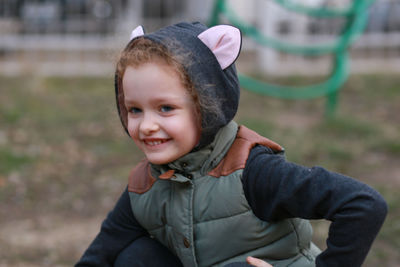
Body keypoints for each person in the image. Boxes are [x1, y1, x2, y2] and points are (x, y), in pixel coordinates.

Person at [75, 22, 387, 267]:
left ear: (208, 106)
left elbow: (362, 205)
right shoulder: (146, 185)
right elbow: (101, 253)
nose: (146, 125)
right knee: (136, 257)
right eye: (134, 110)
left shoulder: (254, 171)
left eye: (166, 108)